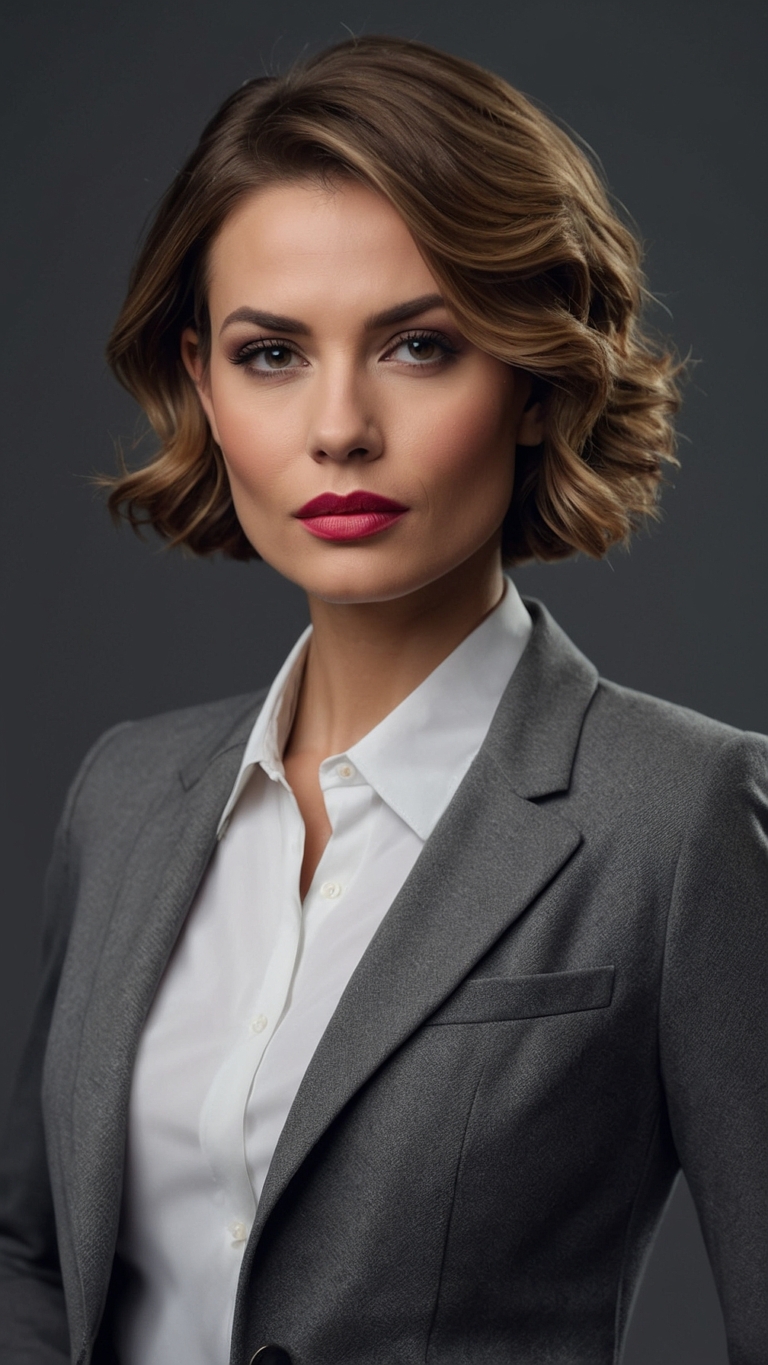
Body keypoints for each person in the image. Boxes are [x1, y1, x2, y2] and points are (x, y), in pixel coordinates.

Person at [0, 32, 765, 1365]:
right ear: (202, 382)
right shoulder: (123, 792)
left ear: (533, 379)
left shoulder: (680, 814)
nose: (340, 425)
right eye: (273, 353)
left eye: (418, 345)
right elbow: (32, 1255)